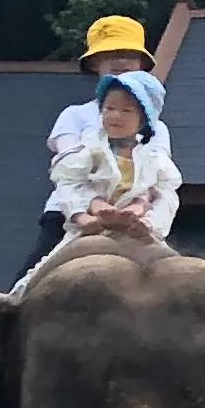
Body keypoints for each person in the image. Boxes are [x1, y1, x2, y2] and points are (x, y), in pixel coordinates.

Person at [28, 15, 163, 266]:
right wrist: (95, 207)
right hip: (70, 213)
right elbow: (69, 169)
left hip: (134, 217)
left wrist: (137, 209)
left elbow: (156, 176)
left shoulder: (157, 127)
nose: (121, 60)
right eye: (111, 53)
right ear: (94, 64)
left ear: (142, 64)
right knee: (32, 277)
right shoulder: (74, 115)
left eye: (129, 54)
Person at [42, 72, 178, 252]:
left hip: (137, 228)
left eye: (126, 110)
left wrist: (148, 220)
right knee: (37, 275)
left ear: (143, 121)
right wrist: (83, 216)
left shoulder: (153, 158)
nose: (115, 116)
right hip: (91, 226)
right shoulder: (88, 150)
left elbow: (165, 194)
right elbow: (69, 184)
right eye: (109, 108)